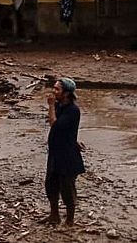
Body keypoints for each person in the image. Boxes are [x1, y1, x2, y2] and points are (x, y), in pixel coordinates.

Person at [42, 77, 85, 226]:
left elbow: (55, 124)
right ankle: (54, 215)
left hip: (67, 156)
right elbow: (66, 131)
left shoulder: (73, 110)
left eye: (57, 89)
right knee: (50, 185)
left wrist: (51, 106)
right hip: (55, 153)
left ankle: (70, 220)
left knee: (67, 188)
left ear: (66, 93)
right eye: (54, 88)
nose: (54, 91)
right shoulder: (60, 106)